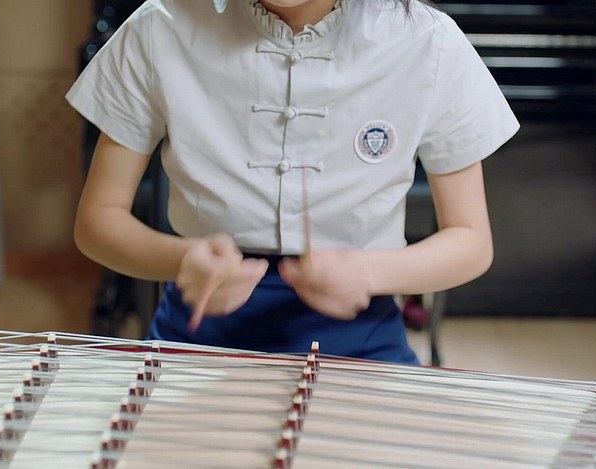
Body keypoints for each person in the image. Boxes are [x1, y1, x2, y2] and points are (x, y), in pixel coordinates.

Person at [66, 0, 519, 364]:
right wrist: (184, 260)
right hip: (198, 335)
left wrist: (368, 272)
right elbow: (97, 220)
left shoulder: (430, 42)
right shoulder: (158, 26)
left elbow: (471, 240)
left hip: (362, 341)